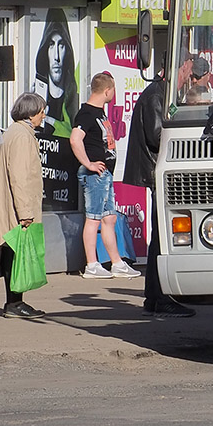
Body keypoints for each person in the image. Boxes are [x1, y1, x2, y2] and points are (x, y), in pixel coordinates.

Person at [124, 71, 195, 318]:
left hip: (156, 171)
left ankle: (155, 297)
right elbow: (156, 135)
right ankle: (161, 297)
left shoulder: (160, 93)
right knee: (163, 237)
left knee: (159, 237)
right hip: (158, 172)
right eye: (186, 68)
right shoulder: (157, 95)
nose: (189, 75)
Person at [71, 72, 140, 280]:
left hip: (105, 173)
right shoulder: (87, 113)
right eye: (113, 90)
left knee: (109, 217)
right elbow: (75, 139)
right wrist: (88, 163)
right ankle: (92, 264)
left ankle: (117, 262)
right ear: (107, 91)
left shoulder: (99, 113)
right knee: (93, 218)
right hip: (96, 175)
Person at [0, 92, 48, 319]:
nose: (43, 117)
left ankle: (14, 302)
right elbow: (20, 176)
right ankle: (15, 303)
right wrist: (25, 212)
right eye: (41, 111)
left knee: (11, 253)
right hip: (17, 208)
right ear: (32, 112)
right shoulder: (23, 137)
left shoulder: (13, 132)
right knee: (16, 256)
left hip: (10, 205)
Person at [34, 9, 78, 137]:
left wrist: (50, 121)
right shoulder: (35, 95)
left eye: (61, 45)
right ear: (45, 50)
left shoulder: (73, 97)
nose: (56, 56)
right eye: (52, 45)